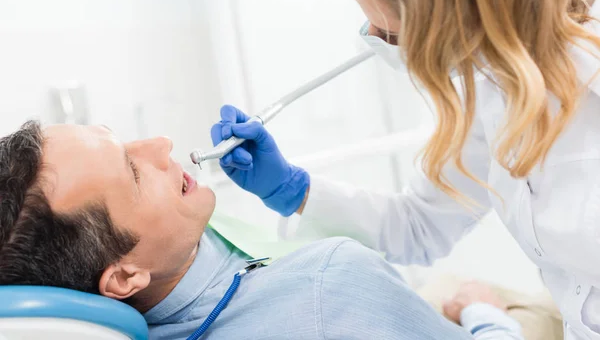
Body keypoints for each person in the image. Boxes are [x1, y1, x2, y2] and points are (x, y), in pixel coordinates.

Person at [209, 0, 600, 339]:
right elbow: (419, 226)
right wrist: (293, 189)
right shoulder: (489, 83)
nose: (376, 41)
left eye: (389, 33)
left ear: (443, 7)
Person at [0, 121, 525, 340]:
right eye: (133, 172)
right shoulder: (332, 282)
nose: (159, 146)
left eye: (127, 139)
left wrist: (296, 193)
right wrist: (485, 314)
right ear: (123, 276)